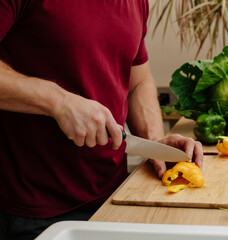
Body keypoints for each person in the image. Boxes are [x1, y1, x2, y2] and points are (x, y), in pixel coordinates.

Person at [0, 0, 203, 239]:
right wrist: (58, 102)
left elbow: (138, 83)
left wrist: (155, 142)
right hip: (34, 212)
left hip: (114, 199)